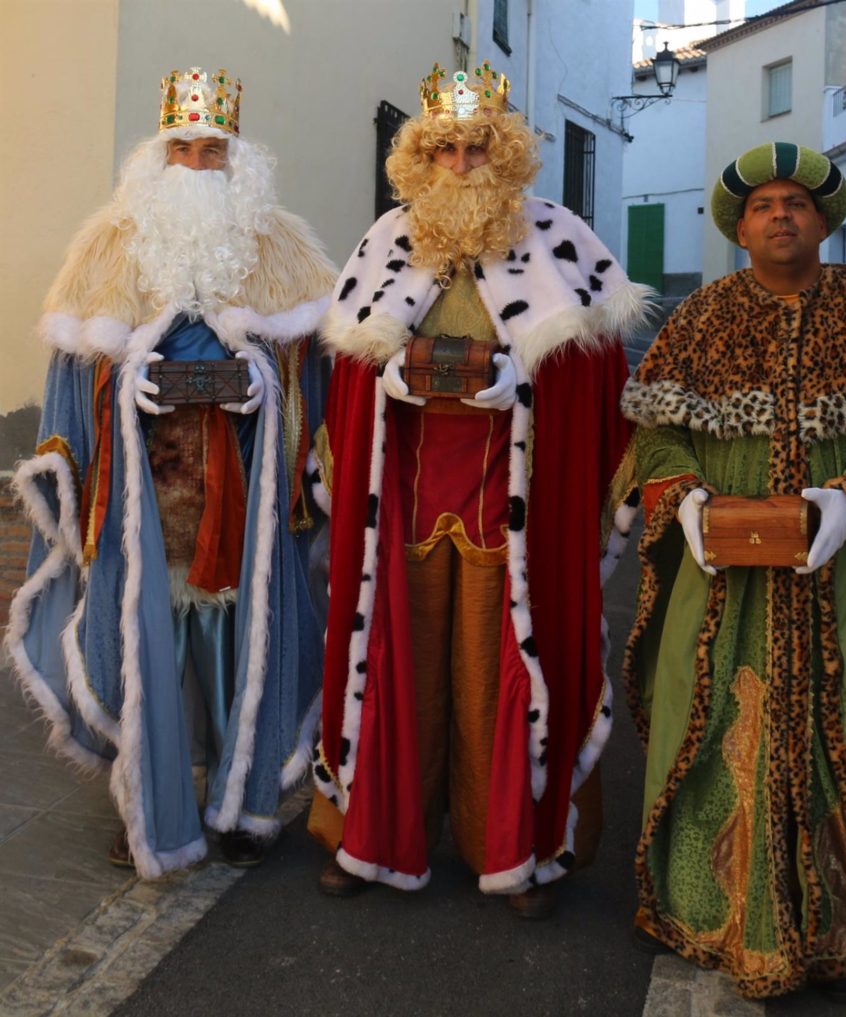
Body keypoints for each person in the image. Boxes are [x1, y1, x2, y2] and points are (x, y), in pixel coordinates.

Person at [616, 142, 846, 998]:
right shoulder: (699, 319)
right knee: (718, 732)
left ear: (824, 220)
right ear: (738, 226)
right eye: (764, 204)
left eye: (797, 203)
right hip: (726, 570)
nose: (781, 213)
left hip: (844, 563)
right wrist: (689, 499)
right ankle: (718, 913)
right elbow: (657, 432)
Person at [307, 60, 650, 916]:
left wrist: (527, 388)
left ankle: (517, 846)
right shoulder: (387, 239)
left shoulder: (555, 235)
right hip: (406, 495)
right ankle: (375, 835)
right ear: (422, 158)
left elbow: (599, 376)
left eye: (477, 147)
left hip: (516, 499)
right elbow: (347, 375)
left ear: (507, 153)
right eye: (446, 148)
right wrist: (382, 378)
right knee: (391, 663)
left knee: (503, 669)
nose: (462, 164)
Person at [4, 67, 336, 878]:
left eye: (211, 151)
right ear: (158, 154)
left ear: (236, 159)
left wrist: (269, 382)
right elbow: (69, 373)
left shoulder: (279, 244)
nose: (195, 165)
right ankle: (149, 803)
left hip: (245, 488)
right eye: (181, 148)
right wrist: (122, 385)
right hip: (140, 495)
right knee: (143, 646)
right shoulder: (111, 244)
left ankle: (244, 801)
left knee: (242, 643)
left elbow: (318, 372)